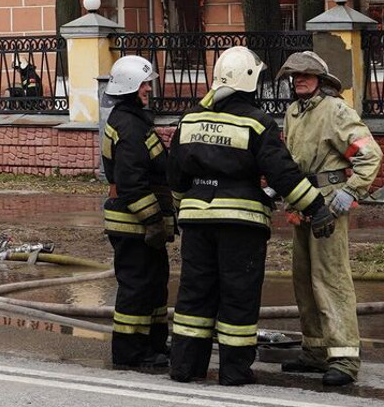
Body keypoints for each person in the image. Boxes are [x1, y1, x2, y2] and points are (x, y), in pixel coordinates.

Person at [168, 46, 333, 387]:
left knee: (194, 294)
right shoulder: (257, 122)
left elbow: (175, 177)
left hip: (196, 222)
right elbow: (282, 174)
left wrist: (186, 207)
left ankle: (185, 366)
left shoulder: (190, 119)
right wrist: (316, 207)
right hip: (240, 225)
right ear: (249, 81)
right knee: (238, 296)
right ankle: (233, 371)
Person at [277, 51, 382, 388]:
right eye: (295, 76)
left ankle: (344, 358)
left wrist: (351, 191)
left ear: (320, 80)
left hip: (330, 203)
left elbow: (369, 154)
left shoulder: (336, 110)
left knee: (330, 278)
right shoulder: (293, 112)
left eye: (306, 75)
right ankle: (316, 350)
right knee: (304, 279)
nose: (299, 80)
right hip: (302, 201)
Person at [100, 54, 172, 369]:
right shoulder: (129, 125)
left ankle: (153, 345)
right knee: (137, 287)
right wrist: (153, 220)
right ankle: (130, 353)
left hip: (140, 225)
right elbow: (131, 182)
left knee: (153, 284)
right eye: (144, 84)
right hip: (133, 225)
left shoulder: (134, 120)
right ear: (130, 86)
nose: (148, 89)